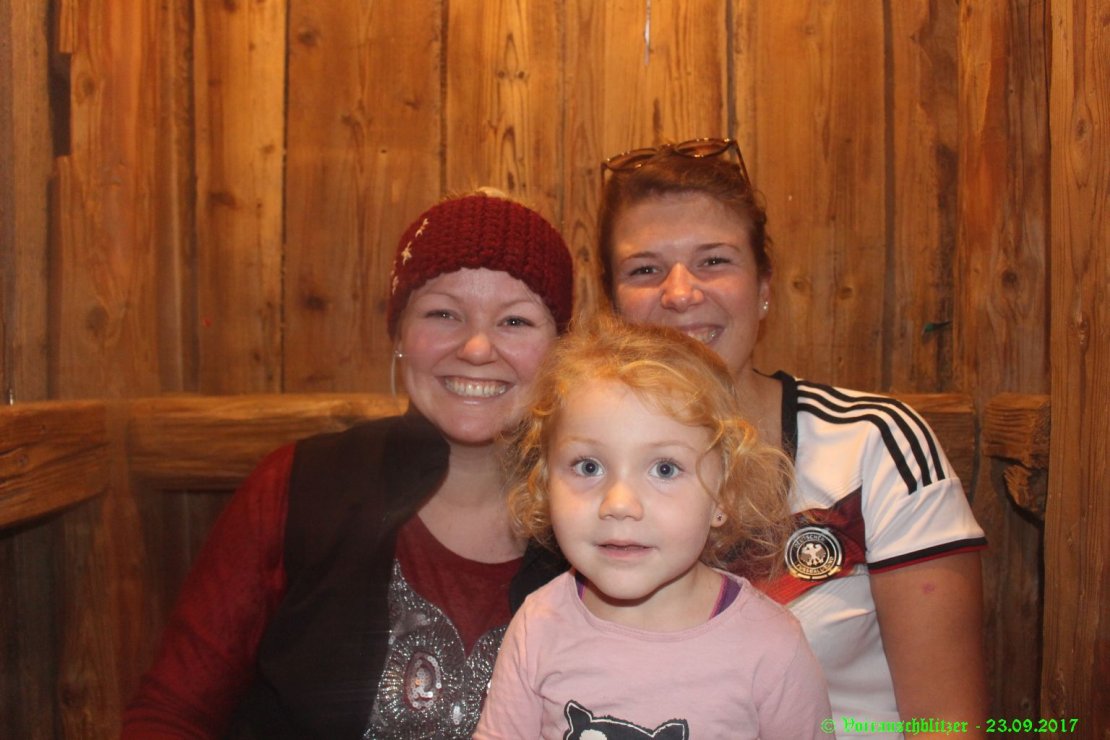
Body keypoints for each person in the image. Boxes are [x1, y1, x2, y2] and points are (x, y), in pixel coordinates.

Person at [122, 191, 574, 738]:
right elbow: (172, 714)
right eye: (443, 313)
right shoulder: (295, 488)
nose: (477, 348)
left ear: (560, 350)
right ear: (399, 334)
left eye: (515, 321)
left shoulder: (598, 518)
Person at [595, 139, 988, 736]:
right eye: (645, 269)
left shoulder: (874, 447)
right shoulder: (583, 471)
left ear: (764, 288)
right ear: (612, 303)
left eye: (714, 261)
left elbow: (948, 726)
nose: (679, 293)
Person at [474, 315, 831, 739]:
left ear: (724, 495)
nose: (619, 503)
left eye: (664, 468)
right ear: (547, 483)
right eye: (588, 466)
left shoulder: (771, 648)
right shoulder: (538, 625)